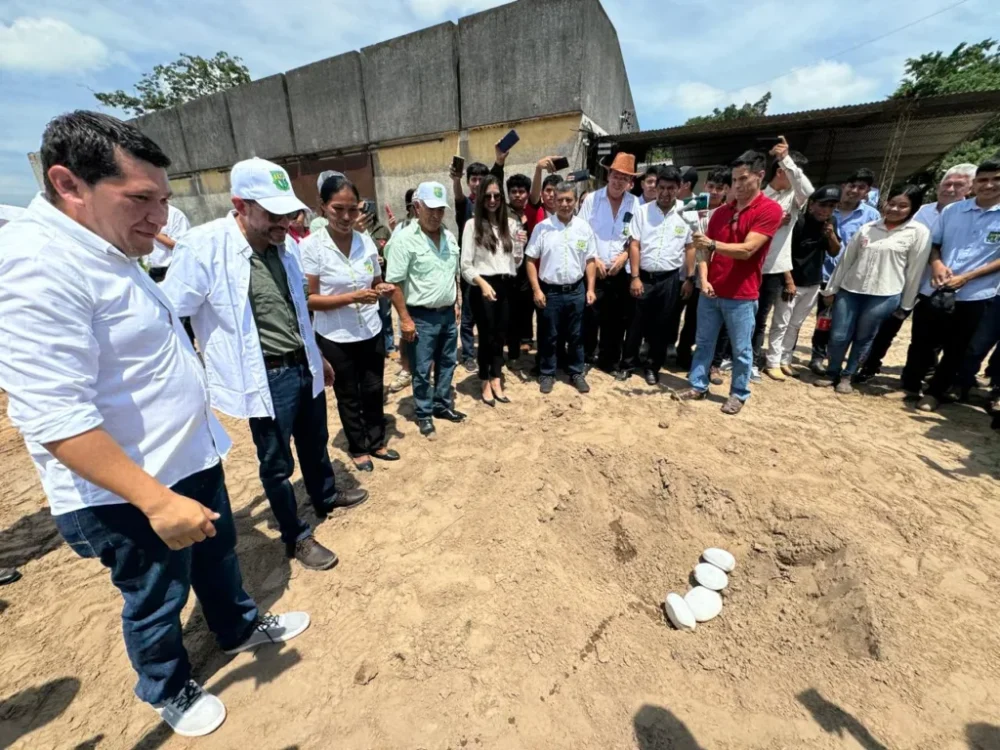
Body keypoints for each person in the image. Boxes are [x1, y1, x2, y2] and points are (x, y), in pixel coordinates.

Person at [0, 111, 309, 737]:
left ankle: (237, 626)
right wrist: (153, 500)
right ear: (69, 183)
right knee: (155, 598)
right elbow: (55, 414)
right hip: (129, 487)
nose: (161, 218)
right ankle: (167, 686)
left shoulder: (107, 248)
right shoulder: (38, 266)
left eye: (164, 200)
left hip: (186, 457)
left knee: (219, 558)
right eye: (141, 199)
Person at [163, 157, 368, 572]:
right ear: (241, 204)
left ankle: (325, 495)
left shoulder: (286, 246)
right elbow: (170, 315)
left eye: (288, 212)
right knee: (277, 463)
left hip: (302, 364)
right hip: (265, 376)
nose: (284, 221)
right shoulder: (204, 247)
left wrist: (318, 355)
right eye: (273, 213)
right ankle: (296, 534)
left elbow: (296, 310)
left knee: (314, 442)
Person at [301, 175, 400, 472]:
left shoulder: (365, 241)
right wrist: (352, 297)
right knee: (348, 394)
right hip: (335, 335)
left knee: (373, 388)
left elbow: (375, 280)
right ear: (322, 208)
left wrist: (382, 288)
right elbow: (311, 299)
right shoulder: (312, 247)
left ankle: (377, 441)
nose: (346, 217)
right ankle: (358, 447)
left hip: (369, 329)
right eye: (337, 209)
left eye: (352, 210)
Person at [674, 150, 783, 415]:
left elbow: (748, 249)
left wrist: (711, 244)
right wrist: (703, 278)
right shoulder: (722, 213)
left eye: (743, 178)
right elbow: (703, 251)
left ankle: (739, 393)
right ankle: (698, 385)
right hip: (712, 290)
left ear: (760, 175)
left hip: (742, 294)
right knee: (704, 342)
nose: (738, 185)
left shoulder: (770, 210)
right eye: (734, 180)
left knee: (742, 348)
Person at [857, 163, 978, 382]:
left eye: (958, 185)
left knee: (928, 338)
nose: (950, 189)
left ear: (970, 188)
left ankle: (916, 378)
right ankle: (869, 365)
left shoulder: (968, 215)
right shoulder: (920, 211)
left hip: (941, 287)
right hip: (902, 281)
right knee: (886, 327)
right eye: (947, 183)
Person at [901, 160, 1000, 411]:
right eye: (983, 179)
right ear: (974, 184)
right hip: (935, 287)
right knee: (922, 341)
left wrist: (968, 277)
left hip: (975, 294)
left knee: (957, 348)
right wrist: (936, 264)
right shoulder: (952, 211)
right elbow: (934, 243)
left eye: (996, 180)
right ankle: (910, 386)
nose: (989, 185)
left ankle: (934, 393)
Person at [814, 185, 932, 395]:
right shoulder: (868, 228)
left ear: (913, 209)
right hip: (850, 290)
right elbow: (846, 261)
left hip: (884, 295)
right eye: (892, 203)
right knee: (839, 335)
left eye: (902, 206)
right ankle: (832, 372)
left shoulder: (918, 233)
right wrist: (831, 289)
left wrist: (906, 304)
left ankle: (848, 375)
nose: (895, 209)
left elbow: (915, 272)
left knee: (864, 337)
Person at [384, 181, 466, 437]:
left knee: (447, 362)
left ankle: (442, 405)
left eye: (441, 209)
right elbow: (394, 283)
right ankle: (423, 413)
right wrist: (405, 319)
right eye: (431, 209)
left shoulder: (449, 236)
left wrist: (456, 301)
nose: (436, 215)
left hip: (447, 314)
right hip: (420, 317)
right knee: (421, 369)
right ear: (417, 207)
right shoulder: (404, 240)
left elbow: (453, 274)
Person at [621, 166, 694, 384]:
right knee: (635, 324)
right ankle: (628, 364)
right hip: (643, 276)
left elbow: (690, 247)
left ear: (679, 188)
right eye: (661, 187)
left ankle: (653, 366)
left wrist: (689, 278)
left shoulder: (687, 211)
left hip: (670, 279)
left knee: (662, 325)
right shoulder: (643, 212)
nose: (665, 192)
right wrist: (634, 276)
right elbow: (634, 244)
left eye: (670, 188)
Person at [525, 182, 598, 394]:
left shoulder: (584, 228)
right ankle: (547, 373)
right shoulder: (542, 228)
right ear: (554, 201)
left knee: (576, 335)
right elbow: (530, 260)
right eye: (560, 200)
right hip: (550, 292)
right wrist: (537, 290)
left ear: (575, 201)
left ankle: (576, 371)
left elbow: (591, 260)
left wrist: (590, 288)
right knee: (549, 335)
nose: (565, 204)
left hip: (576, 290)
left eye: (569, 200)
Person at [763, 185, 842, 380]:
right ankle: (772, 361)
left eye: (831, 207)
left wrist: (830, 234)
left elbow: (834, 251)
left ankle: (785, 360)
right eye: (823, 205)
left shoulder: (830, 223)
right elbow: (783, 252)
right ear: (812, 204)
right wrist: (788, 281)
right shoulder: (798, 222)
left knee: (795, 324)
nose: (826, 211)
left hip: (814, 282)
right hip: (791, 282)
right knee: (781, 323)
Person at [461, 175, 525, 405]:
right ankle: (485, 379)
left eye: (497, 195)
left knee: (500, 335)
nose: (492, 200)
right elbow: (465, 265)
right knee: (486, 337)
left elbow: (515, 263)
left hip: (506, 284)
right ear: (480, 198)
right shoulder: (472, 225)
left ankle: (497, 376)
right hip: (483, 285)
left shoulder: (510, 224)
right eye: (487, 195)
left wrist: (520, 247)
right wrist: (482, 283)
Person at [810, 168, 881, 373]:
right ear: (844, 186)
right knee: (823, 318)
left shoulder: (871, 216)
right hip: (824, 273)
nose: (855, 190)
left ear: (867, 191)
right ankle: (818, 356)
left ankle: (838, 358)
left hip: (851, 277)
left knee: (846, 321)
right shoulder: (826, 208)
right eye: (852, 185)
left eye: (861, 187)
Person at [754, 139, 814, 378]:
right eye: (791, 171)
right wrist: (772, 223)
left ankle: (751, 361)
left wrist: (786, 158)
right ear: (780, 172)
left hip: (772, 268)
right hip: (748, 264)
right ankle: (728, 357)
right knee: (741, 314)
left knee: (761, 319)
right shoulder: (758, 195)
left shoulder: (793, 199)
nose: (795, 177)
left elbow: (808, 190)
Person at [578, 152, 640, 375]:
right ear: (608, 175)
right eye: (615, 175)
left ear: (630, 182)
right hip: (594, 269)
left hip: (620, 270)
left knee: (616, 320)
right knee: (590, 315)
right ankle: (585, 357)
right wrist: (594, 259)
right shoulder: (592, 200)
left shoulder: (635, 204)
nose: (618, 181)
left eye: (624, 178)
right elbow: (583, 233)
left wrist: (624, 256)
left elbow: (636, 237)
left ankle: (608, 360)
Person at [453, 145, 510, 372]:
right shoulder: (465, 205)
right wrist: (455, 179)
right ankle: (468, 355)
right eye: (473, 179)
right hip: (471, 273)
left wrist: (499, 162)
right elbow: (457, 196)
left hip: (492, 272)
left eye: (481, 179)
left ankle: (493, 356)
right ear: (468, 183)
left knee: (493, 319)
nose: (477, 183)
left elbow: (497, 181)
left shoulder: (495, 205)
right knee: (468, 317)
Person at [507, 173, 537, 351]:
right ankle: (512, 343)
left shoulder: (531, 211)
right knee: (511, 307)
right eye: (513, 192)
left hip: (528, 265)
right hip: (508, 266)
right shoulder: (504, 212)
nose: (517, 195)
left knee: (527, 304)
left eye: (521, 191)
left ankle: (526, 337)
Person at [148, 203, 191, 283]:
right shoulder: (138, 214)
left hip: (171, 269)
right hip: (147, 271)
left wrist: (154, 233)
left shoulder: (175, 215)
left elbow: (182, 246)